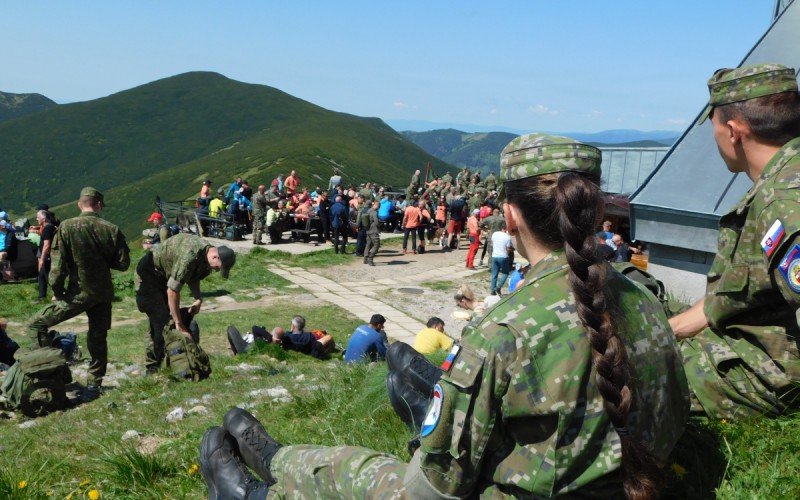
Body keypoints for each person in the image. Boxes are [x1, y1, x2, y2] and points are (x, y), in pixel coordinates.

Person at [199, 133, 689, 499]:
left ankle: (267, 477)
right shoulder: (645, 299)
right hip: (629, 482)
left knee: (360, 471)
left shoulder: (504, 332)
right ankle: (441, 405)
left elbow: (431, 490)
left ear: (510, 217)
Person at [670, 63, 800, 419]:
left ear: (732, 131)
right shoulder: (784, 179)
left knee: (625, 380)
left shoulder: (784, 203)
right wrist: (669, 330)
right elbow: (742, 291)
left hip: (772, 374)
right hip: (766, 350)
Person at [27, 187, 130, 399]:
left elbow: (57, 268)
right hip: (102, 293)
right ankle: (94, 384)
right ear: (99, 205)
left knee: (36, 324)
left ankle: (51, 373)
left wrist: (57, 291)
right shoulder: (111, 229)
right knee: (98, 337)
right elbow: (123, 264)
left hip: (77, 293)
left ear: (79, 204)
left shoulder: (66, 227)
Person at [134, 233, 236, 375]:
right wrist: (179, 323)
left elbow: (194, 276)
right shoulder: (189, 255)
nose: (216, 271)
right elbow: (172, 291)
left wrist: (198, 299)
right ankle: (153, 367)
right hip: (148, 274)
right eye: (218, 268)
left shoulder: (206, 255)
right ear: (215, 257)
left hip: (165, 276)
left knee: (167, 320)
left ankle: (173, 359)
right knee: (160, 321)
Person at [35, 210, 57, 302]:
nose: (37, 219)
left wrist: (42, 259)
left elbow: (47, 244)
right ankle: (42, 297)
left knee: (48, 276)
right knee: (42, 276)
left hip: (48, 256)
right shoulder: (48, 227)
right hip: (47, 255)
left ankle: (57, 294)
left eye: (38, 217)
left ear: (44, 219)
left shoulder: (48, 228)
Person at [489, 221, 513, 295]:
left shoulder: (494, 234)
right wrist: (510, 251)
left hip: (494, 256)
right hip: (503, 257)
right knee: (505, 273)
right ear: (506, 228)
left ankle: (492, 290)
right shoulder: (507, 237)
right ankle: (499, 286)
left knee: (494, 274)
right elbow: (508, 249)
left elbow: (492, 244)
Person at [363, 201, 380, 266]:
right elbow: (376, 222)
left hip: (368, 230)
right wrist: (380, 225)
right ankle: (370, 258)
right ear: (377, 205)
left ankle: (365, 258)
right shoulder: (374, 212)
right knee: (376, 245)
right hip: (373, 230)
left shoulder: (368, 210)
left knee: (368, 244)